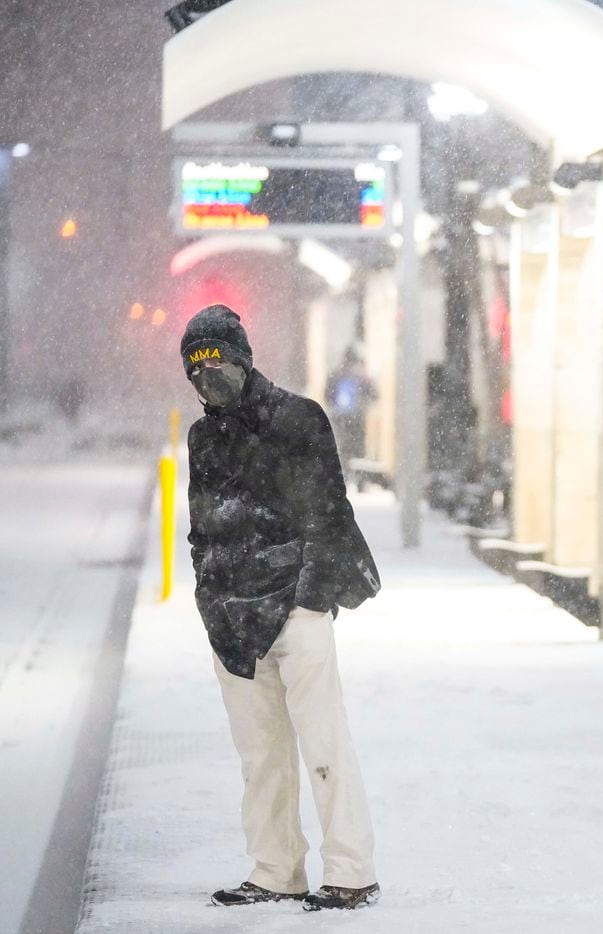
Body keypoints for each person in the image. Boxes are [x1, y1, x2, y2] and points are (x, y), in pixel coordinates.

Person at [181, 304, 382, 911]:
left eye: (216, 362)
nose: (206, 378)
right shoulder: (203, 436)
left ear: (243, 359)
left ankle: (350, 870)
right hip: (232, 621)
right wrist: (210, 597)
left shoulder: (298, 419)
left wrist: (310, 601)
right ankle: (275, 869)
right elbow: (203, 528)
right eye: (195, 368)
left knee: (324, 742)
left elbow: (327, 513)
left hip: (295, 610)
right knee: (260, 755)